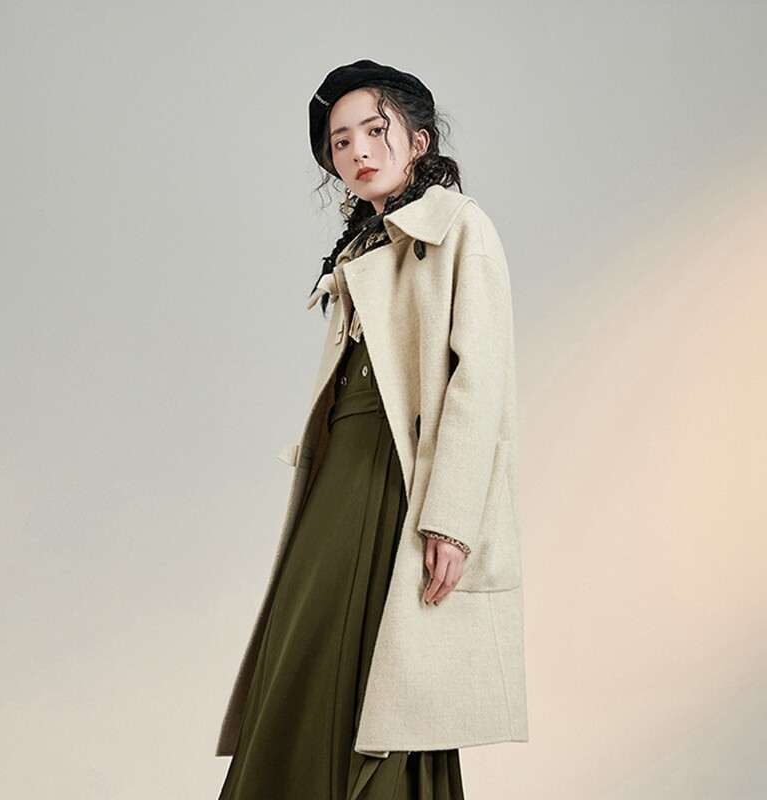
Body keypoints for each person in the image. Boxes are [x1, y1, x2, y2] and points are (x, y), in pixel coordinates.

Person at [216, 59, 527, 800]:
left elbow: (480, 381)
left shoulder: (459, 227)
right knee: (304, 647)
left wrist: (451, 521)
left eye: (374, 130)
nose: (357, 150)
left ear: (419, 139)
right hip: (342, 468)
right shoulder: (364, 245)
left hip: (403, 474)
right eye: (340, 140)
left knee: (391, 681)